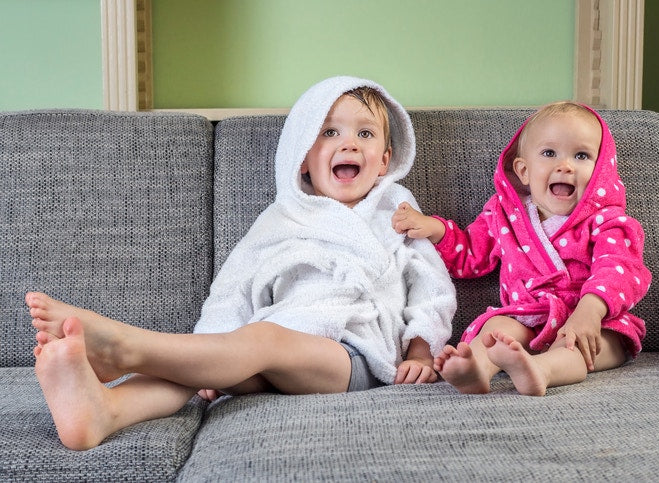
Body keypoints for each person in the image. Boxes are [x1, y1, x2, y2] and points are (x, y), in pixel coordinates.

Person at [27, 76, 456, 450]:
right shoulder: (281, 219)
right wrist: (215, 347)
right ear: (302, 156)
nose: (348, 143)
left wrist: (420, 349)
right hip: (276, 348)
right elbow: (233, 287)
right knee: (194, 369)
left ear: (384, 160)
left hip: (356, 353)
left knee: (263, 339)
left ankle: (124, 348)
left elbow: (431, 285)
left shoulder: (396, 210)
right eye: (329, 132)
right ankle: (106, 411)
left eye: (365, 134)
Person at [392, 101, 651, 396]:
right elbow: (471, 254)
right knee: (497, 328)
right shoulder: (505, 216)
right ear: (524, 170)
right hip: (528, 316)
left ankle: (542, 370)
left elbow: (618, 269)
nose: (564, 165)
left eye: (581, 155)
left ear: (601, 171)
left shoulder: (607, 222)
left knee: (581, 346)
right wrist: (437, 230)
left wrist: (589, 312)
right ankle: (476, 368)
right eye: (549, 153)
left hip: (598, 322)